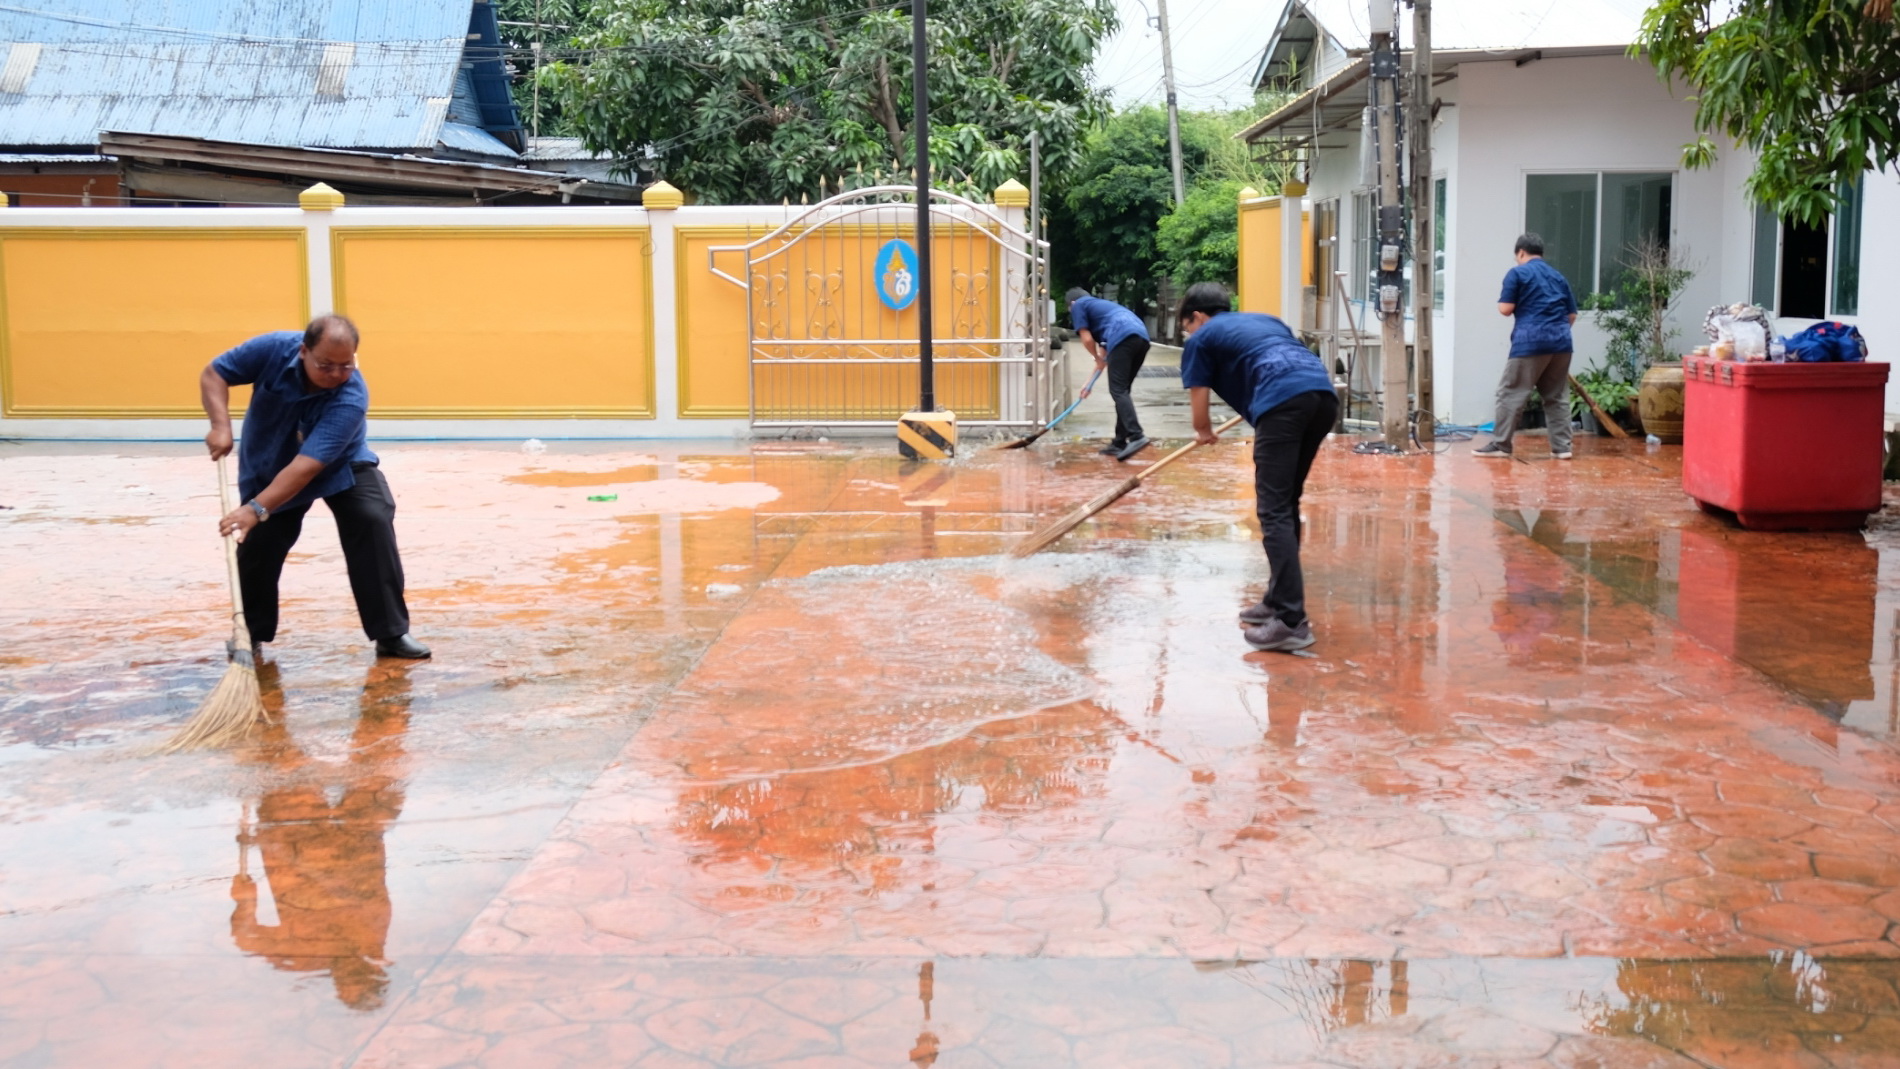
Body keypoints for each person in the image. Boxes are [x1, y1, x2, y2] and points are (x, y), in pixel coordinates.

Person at [199, 314, 430, 660]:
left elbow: (307, 466)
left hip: (339, 462)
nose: (336, 374)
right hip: (272, 460)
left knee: (371, 517)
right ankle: (250, 635)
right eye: (326, 365)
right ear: (303, 351)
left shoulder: (351, 396)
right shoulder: (273, 348)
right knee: (261, 540)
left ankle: (391, 634)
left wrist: (256, 508)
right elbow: (215, 373)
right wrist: (221, 425)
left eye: (346, 365)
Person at [1178, 282, 1338, 652]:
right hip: (1322, 396)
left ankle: (1291, 621)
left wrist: (1203, 431)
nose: (1190, 332)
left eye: (1188, 325)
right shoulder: (1266, 319)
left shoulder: (1201, 339)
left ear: (1197, 317)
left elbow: (1198, 403)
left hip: (1282, 402)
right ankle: (1277, 600)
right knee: (1286, 504)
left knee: (1273, 509)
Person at [1475, 233, 1579, 460]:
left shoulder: (1517, 273)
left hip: (1530, 341)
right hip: (1561, 342)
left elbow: (1505, 308)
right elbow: (1571, 315)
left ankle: (1501, 445)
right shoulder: (1558, 276)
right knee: (1556, 396)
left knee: (1510, 393)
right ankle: (1562, 448)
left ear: (1521, 252)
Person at [1065, 287, 1152, 460]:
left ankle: (1136, 436)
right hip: (1141, 338)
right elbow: (1103, 359)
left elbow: (1087, 339)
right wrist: (1088, 384)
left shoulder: (1079, 305)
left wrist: (1095, 357)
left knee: (1118, 390)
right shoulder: (1103, 311)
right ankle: (1119, 442)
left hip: (1123, 338)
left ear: (1072, 304)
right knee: (1122, 391)